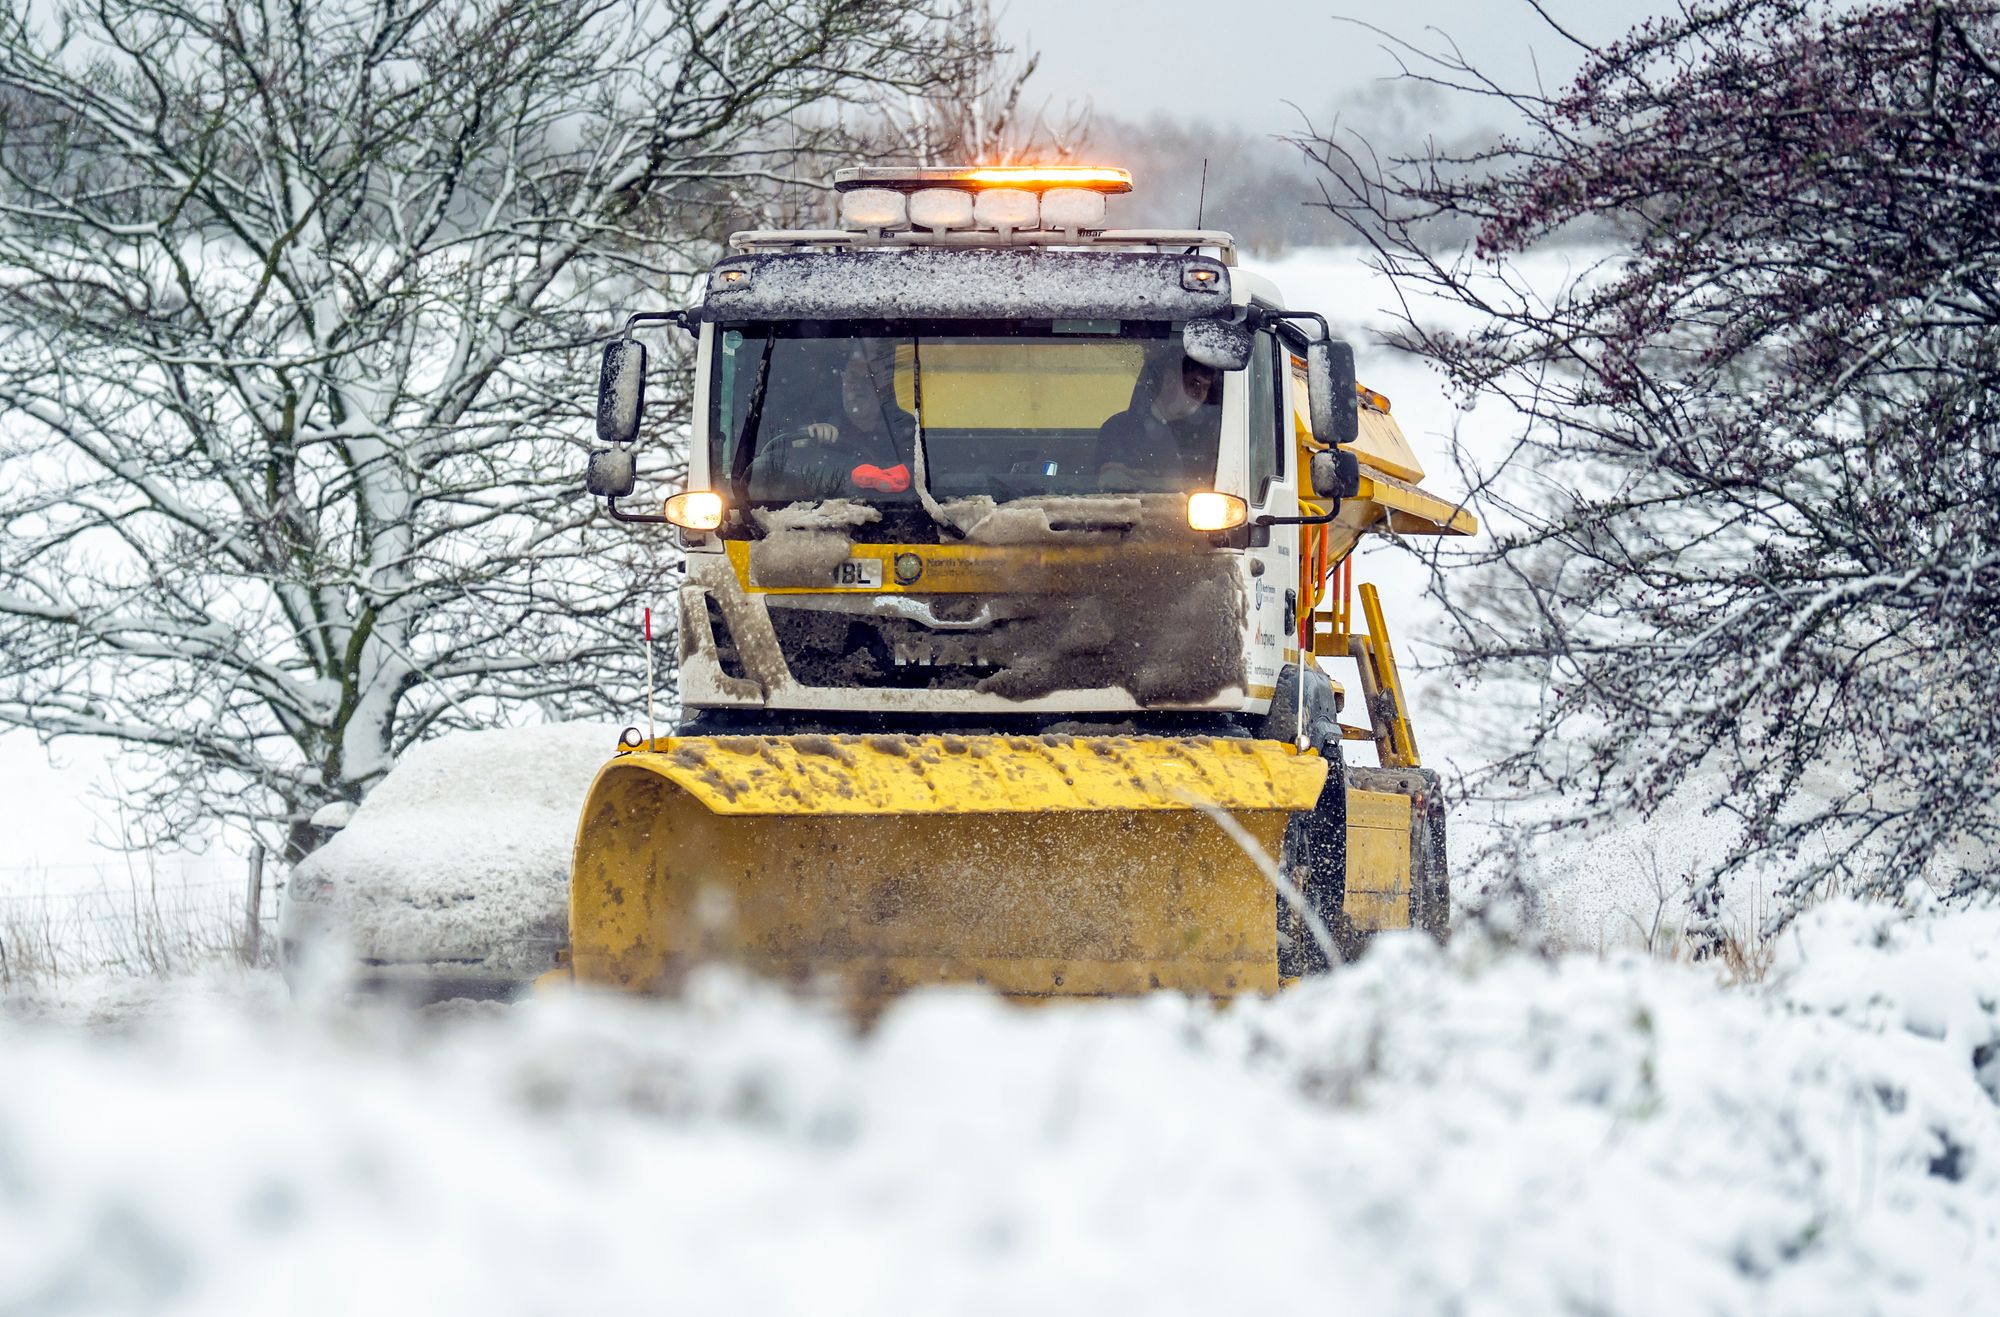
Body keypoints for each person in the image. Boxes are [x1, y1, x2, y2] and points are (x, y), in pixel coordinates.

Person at [748, 342, 917, 502]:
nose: (856, 386)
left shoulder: (903, 428)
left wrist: (888, 475)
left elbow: (927, 477)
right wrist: (804, 446)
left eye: (868, 378)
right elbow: (789, 478)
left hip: (891, 516)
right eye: (852, 377)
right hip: (821, 517)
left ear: (885, 386)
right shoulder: (817, 423)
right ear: (842, 379)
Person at [1094, 351, 1223, 491]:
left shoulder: (1215, 430)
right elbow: (1106, 485)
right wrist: (1115, 475)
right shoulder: (1118, 428)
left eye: (1205, 387)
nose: (1200, 394)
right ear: (1169, 381)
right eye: (1194, 384)